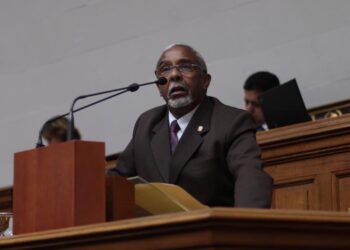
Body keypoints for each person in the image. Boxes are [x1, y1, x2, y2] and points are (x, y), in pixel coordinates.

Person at [111, 44, 272, 208]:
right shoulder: (146, 123)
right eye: (165, 69)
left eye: (186, 67)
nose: (174, 75)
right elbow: (118, 179)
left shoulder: (231, 122)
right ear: (159, 86)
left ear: (205, 81)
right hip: (157, 230)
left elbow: (251, 178)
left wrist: (244, 228)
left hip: (209, 229)